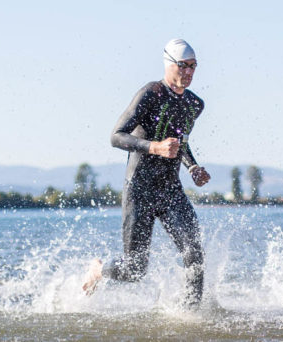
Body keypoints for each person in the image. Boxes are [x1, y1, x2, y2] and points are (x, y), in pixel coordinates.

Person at [82, 39, 211, 306]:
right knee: (134, 270)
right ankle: (99, 270)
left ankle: (191, 314)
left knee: (194, 253)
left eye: (193, 67)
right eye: (183, 66)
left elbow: (180, 143)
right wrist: (153, 147)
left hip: (170, 189)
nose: (188, 72)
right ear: (168, 64)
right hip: (139, 189)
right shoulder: (150, 94)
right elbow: (116, 136)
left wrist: (193, 167)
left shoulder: (194, 104)